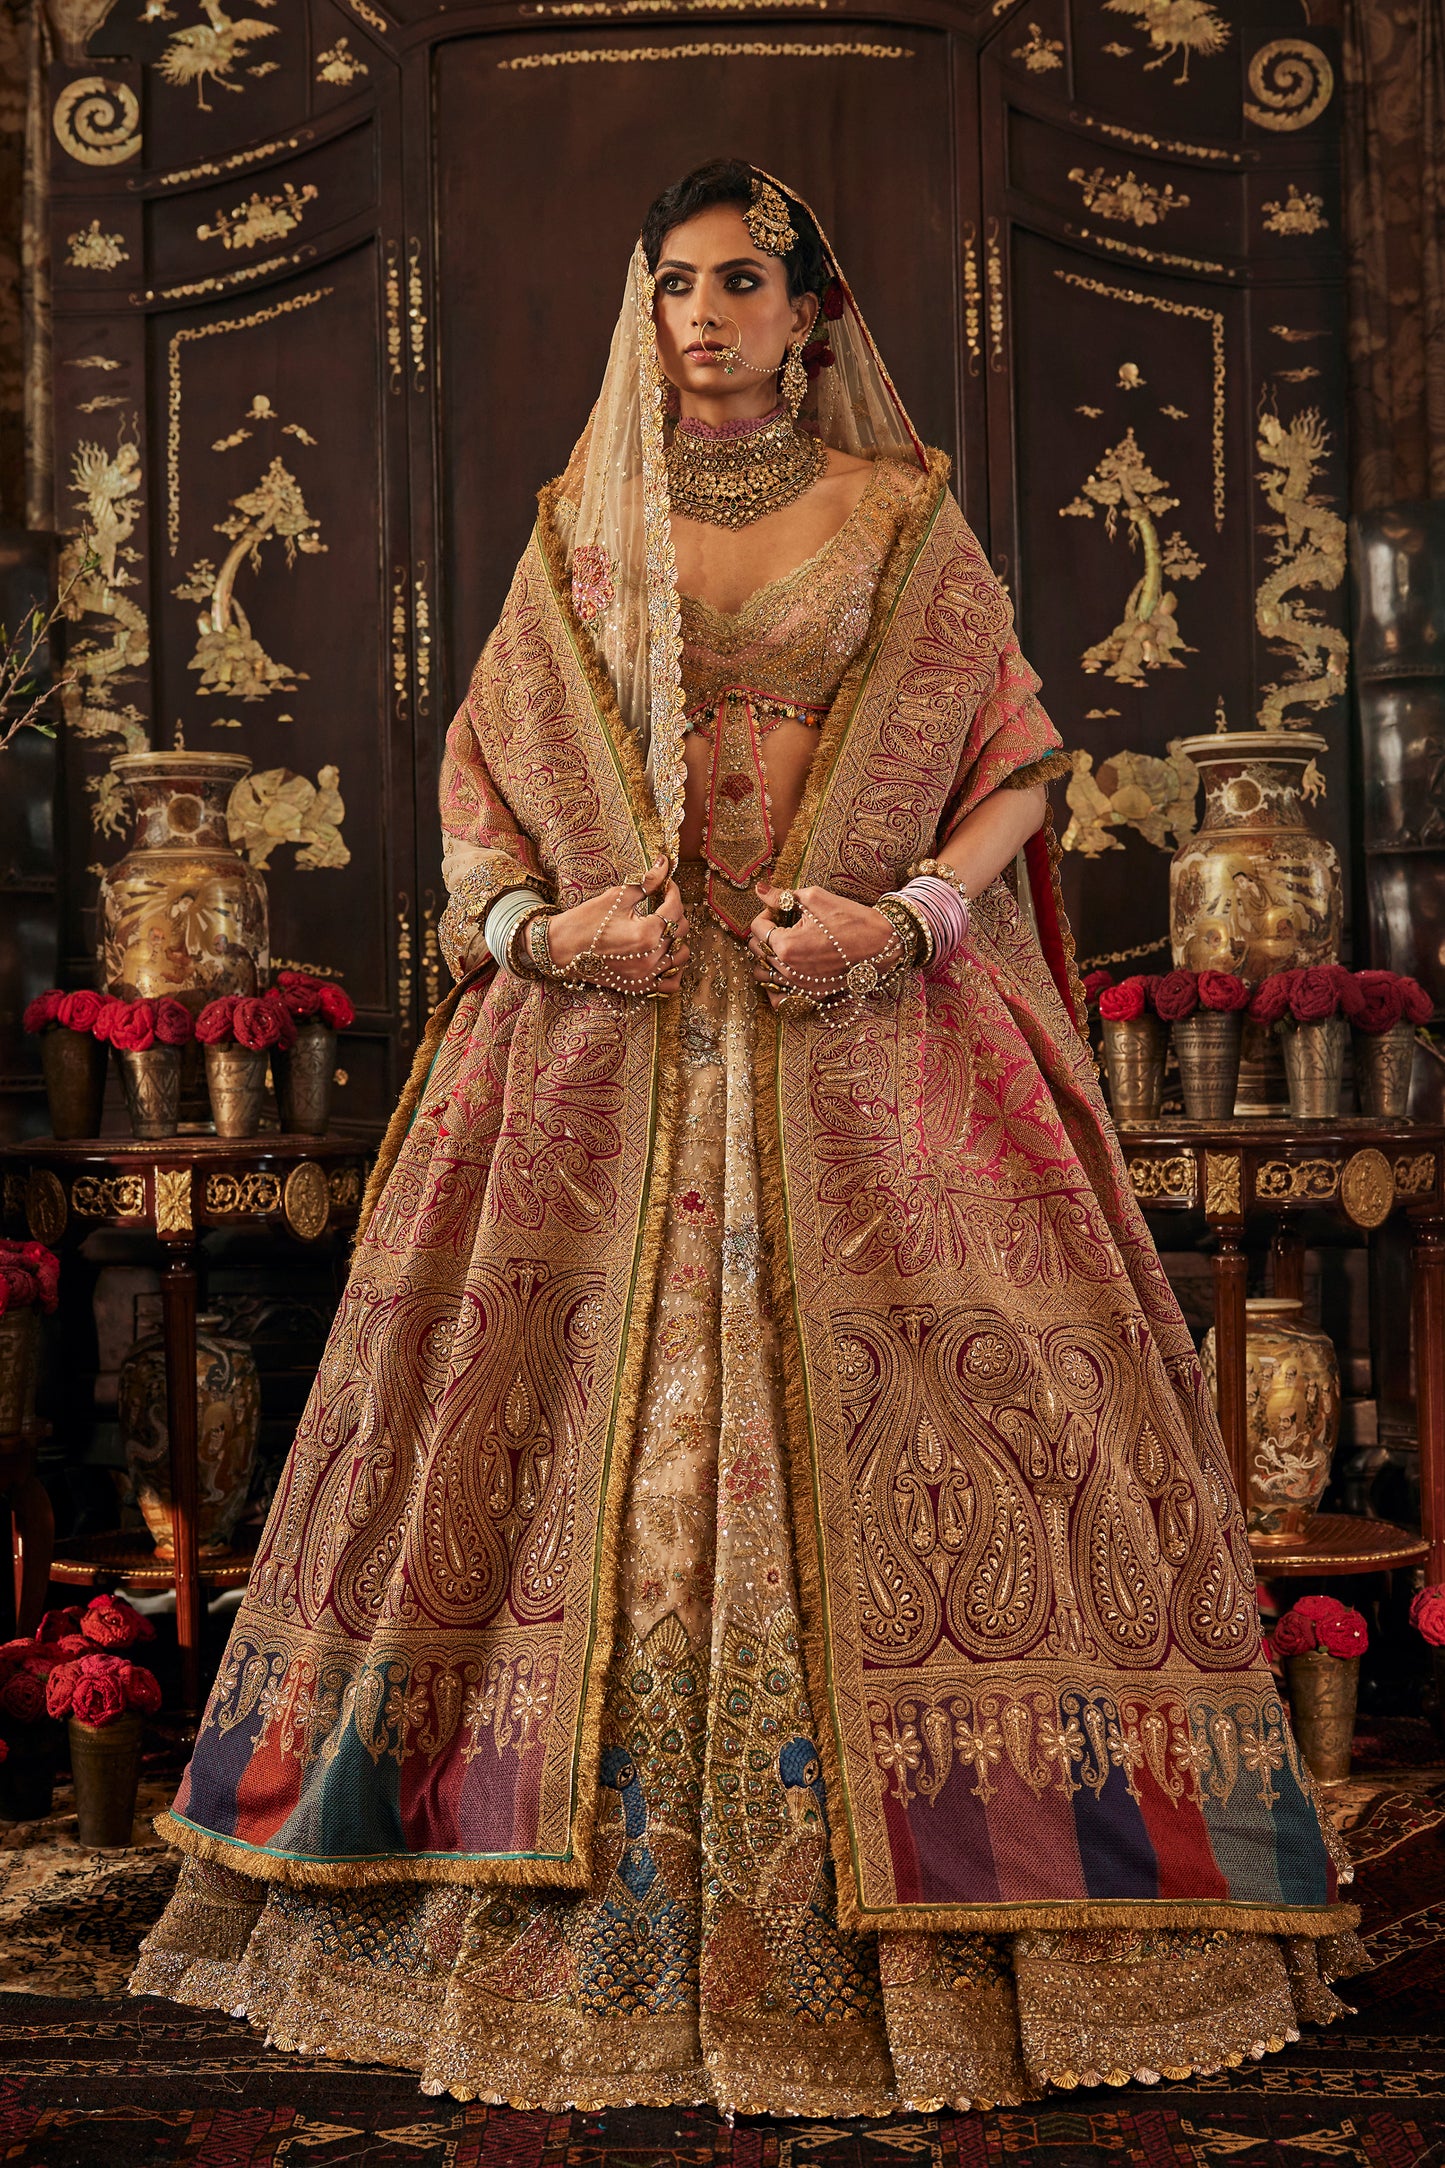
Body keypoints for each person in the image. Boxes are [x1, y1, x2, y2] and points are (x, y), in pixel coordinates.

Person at [132, 161, 1361, 2115]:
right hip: (605, 1050)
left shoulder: (903, 526)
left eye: (738, 282)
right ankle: (536, 1905)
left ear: (812, 311)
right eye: (674, 283)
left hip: (875, 1033)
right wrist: (548, 929)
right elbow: (479, 796)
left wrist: (910, 920)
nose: (701, 314)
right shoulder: (576, 529)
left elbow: (1016, 769)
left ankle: (985, 1915)